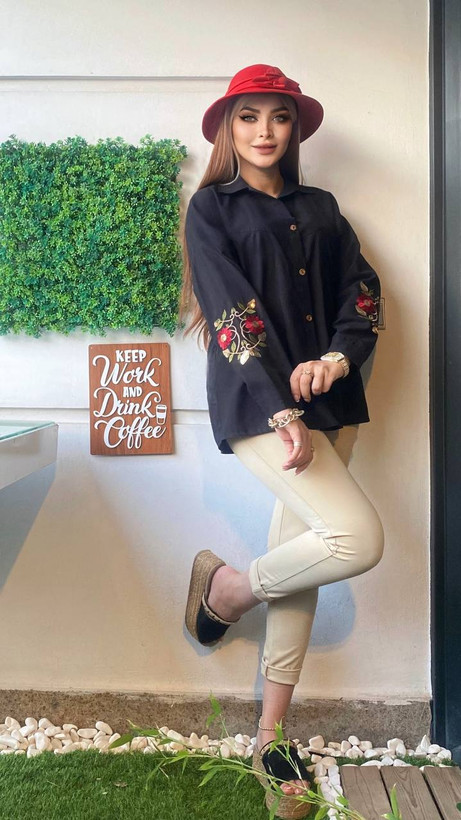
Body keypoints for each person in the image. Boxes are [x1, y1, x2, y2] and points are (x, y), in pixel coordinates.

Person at [179, 64, 384, 818]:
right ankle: (228, 590)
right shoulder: (212, 209)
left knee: (304, 563)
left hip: (334, 405)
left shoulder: (321, 208)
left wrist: (336, 358)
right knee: (358, 539)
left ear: (294, 128)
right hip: (258, 408)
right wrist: (279, 412)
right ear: (228, 130)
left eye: (279, 116)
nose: (264, 130)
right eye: (248, 116)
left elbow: (363, 293)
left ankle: (269, 739)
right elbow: (231, 316)